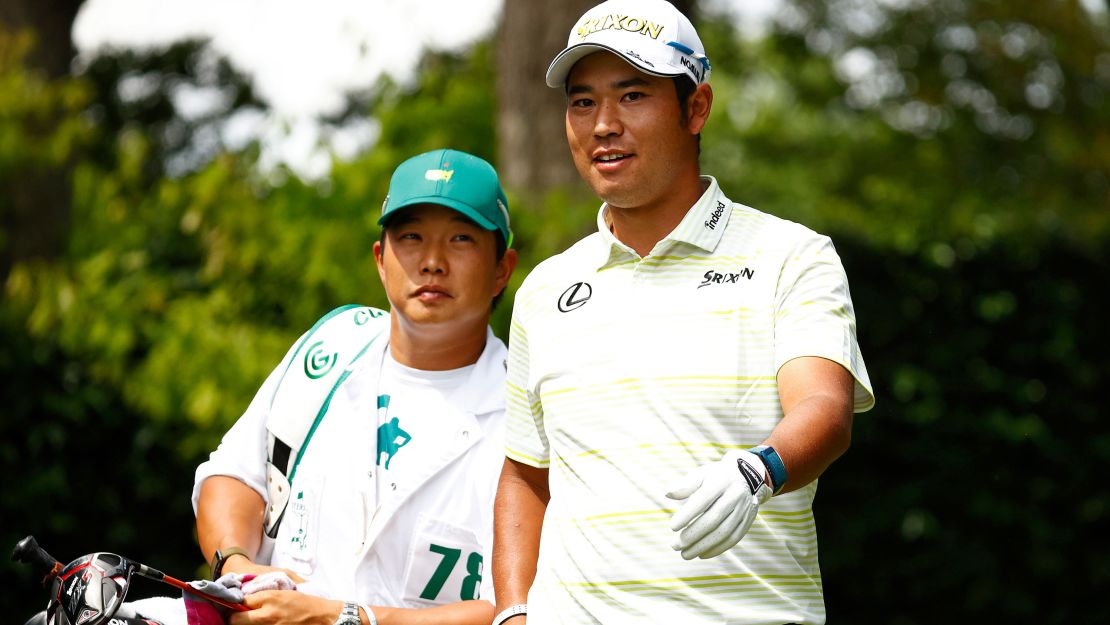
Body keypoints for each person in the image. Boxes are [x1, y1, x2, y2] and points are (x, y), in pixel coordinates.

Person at [491, 1, 875, 624]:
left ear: (696, 108)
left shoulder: (791, 256)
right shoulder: (545, 287)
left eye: (633, 95)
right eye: (582, 102)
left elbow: (825, 410)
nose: (603, 125)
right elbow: (525, 476)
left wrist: (761, 470)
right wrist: (512, 612)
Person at [193, 148, 517, 625]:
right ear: (381, 258)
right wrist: (238, 566)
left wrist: (341, 618)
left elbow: (515, 604)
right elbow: (233, 476)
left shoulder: (527, 412)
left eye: (461, 239)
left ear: (501, 269)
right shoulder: (332, 346)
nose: (432, 261)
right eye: (410, 237)